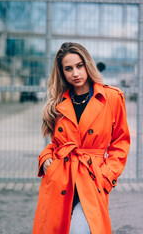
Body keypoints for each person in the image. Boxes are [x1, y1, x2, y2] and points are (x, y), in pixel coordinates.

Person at [32, 42, 130, 234]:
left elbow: (121, 142)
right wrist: (45, 159)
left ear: (88, 65)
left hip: (92, 177)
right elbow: (55, 144)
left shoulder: (111, 97)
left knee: (80, 229)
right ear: (62, 73)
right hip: (61, 177)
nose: (75, 73)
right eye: (68, 69)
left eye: (79, 66)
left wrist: (106, 176)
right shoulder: (59, 102)